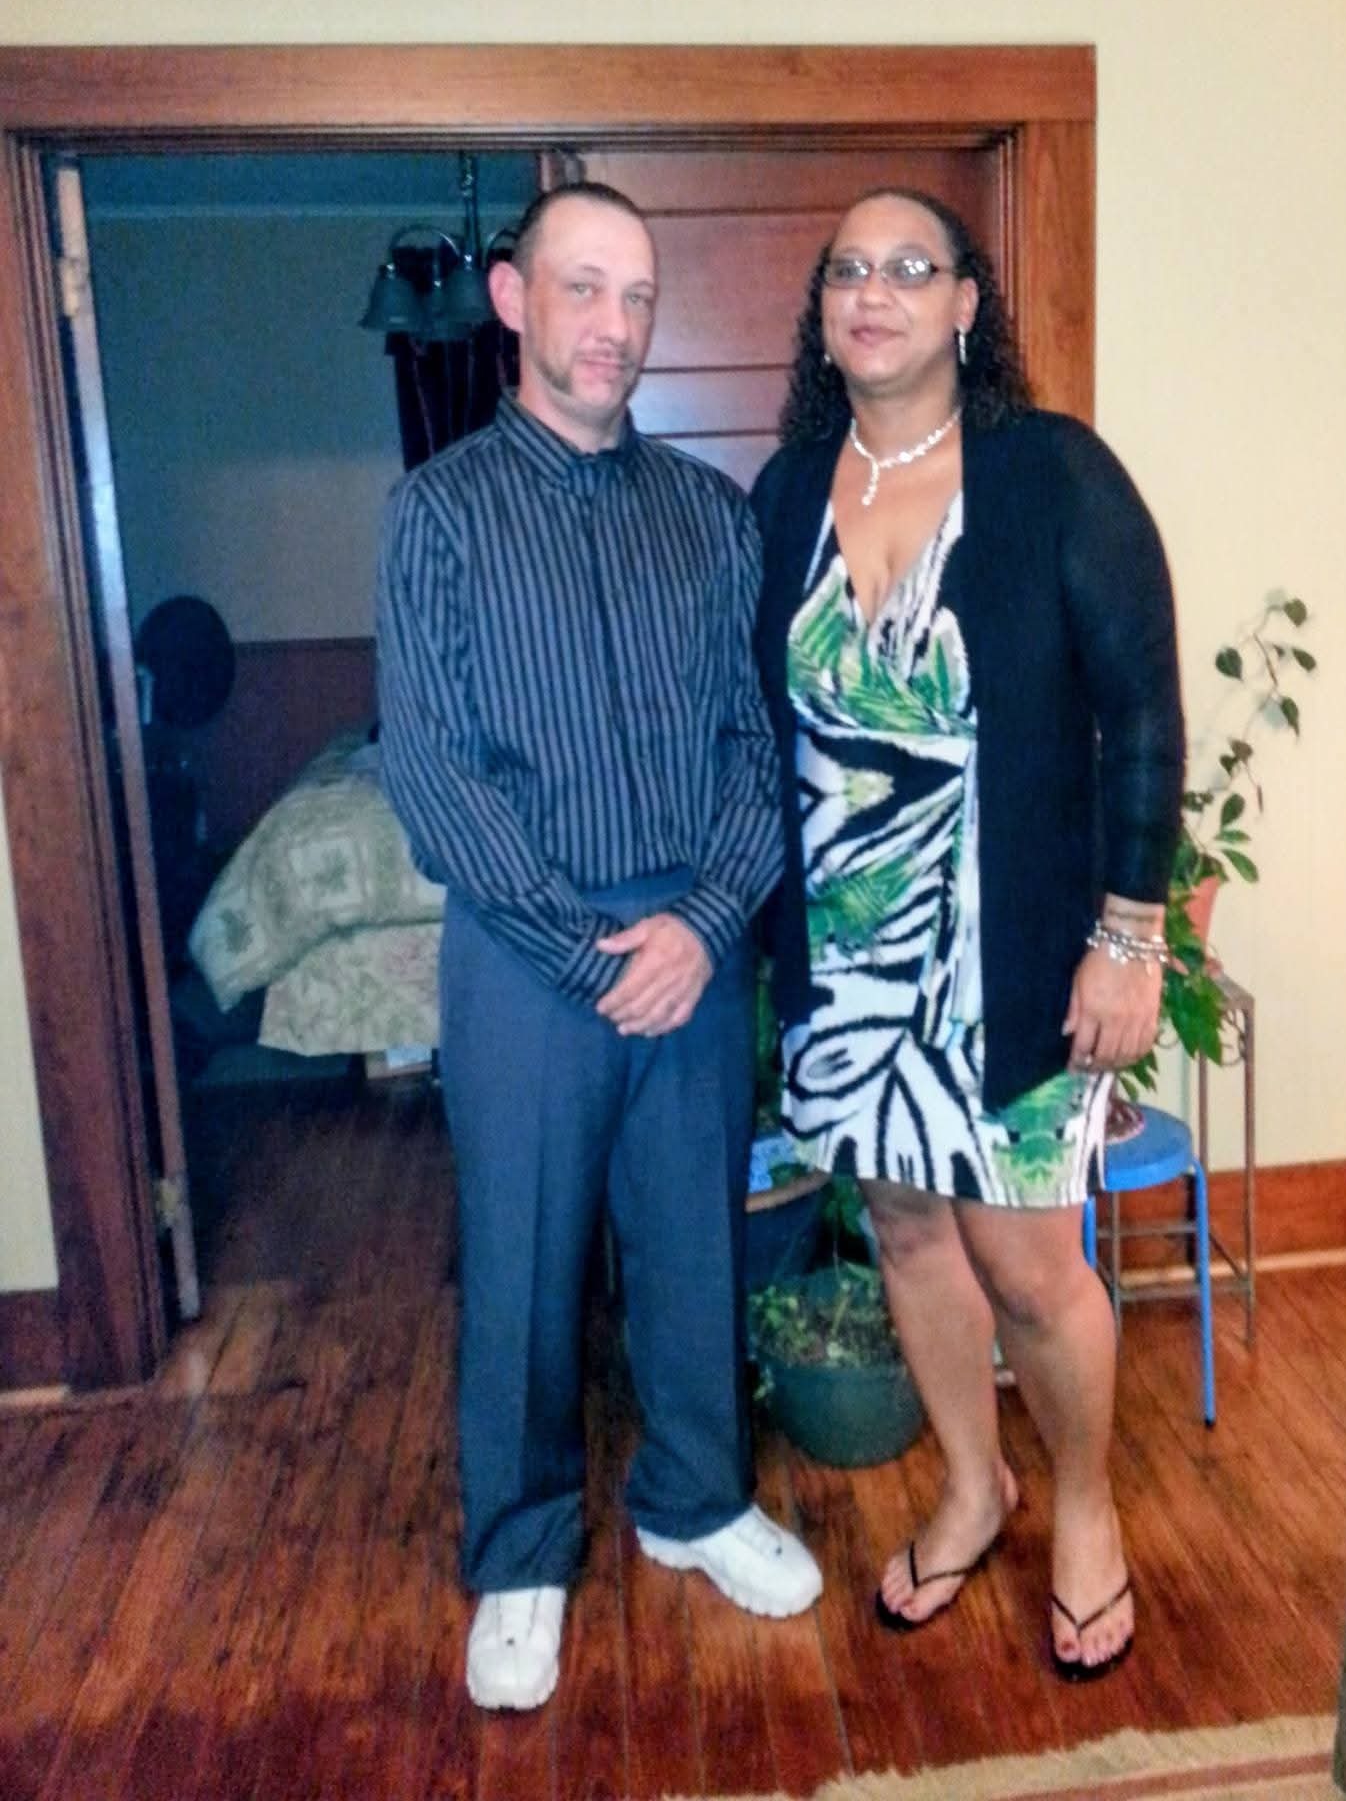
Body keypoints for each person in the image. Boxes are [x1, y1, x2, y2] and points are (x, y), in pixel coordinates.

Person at [377, 181, 822, 1715]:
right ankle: (520, 1552)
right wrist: (590, 955)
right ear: (513, 300)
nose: (613, 325)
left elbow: (755, 746)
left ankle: (696, 1499)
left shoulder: (708, 516)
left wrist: (703, 924)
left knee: (695, 1242)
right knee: (523, 1264)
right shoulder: (438, 516)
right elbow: (433, 772)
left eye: (636, 296)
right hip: (526, 959)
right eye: (582, 288)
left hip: (695, 941)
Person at [751, 188, 1183, 1679]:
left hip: (1014, 955)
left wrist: (1131, 935)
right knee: (907, 1227)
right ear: (824, 313)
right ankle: (973, 1485)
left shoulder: (1052, 472)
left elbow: (1141, 711)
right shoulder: (785, 493)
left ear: (963, 306)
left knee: (1029, 1265)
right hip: (849, 957)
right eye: (847, 270)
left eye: (909, 266)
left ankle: (1086, 1507)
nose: (873, 292)